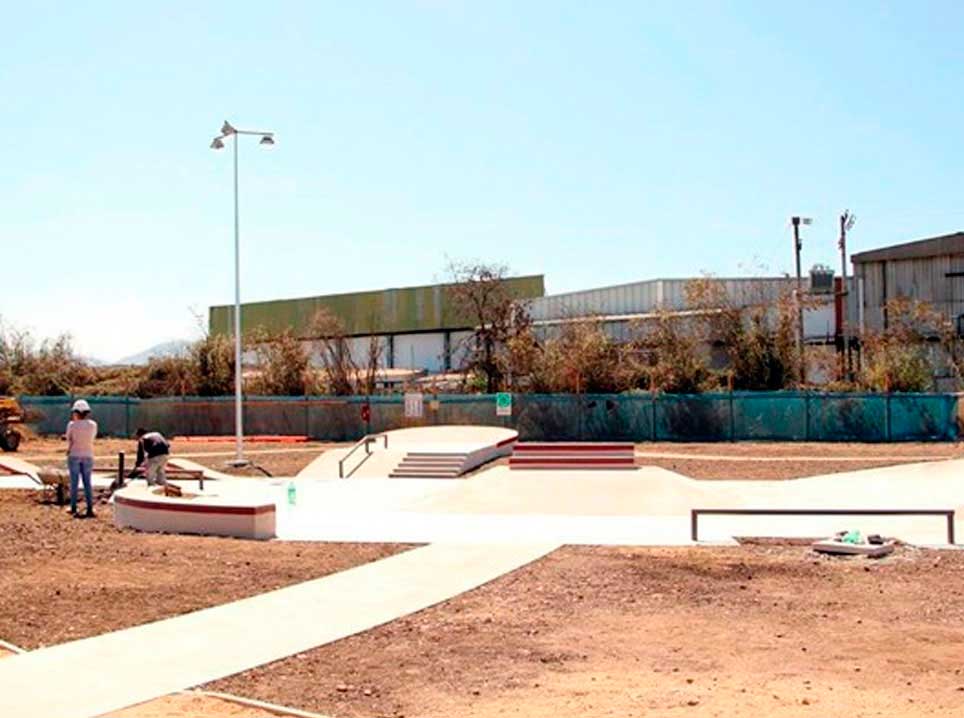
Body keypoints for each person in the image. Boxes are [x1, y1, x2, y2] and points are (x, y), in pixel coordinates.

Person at [65, 399, 97, 518]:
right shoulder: (93, 425)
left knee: (74, 482)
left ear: (76, 412)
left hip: (74, 455)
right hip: (88, 455)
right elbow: (92, 438)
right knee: (87, 482)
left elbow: (69, 439)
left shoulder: (72, 425)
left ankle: (73, 507)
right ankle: (89, 508)